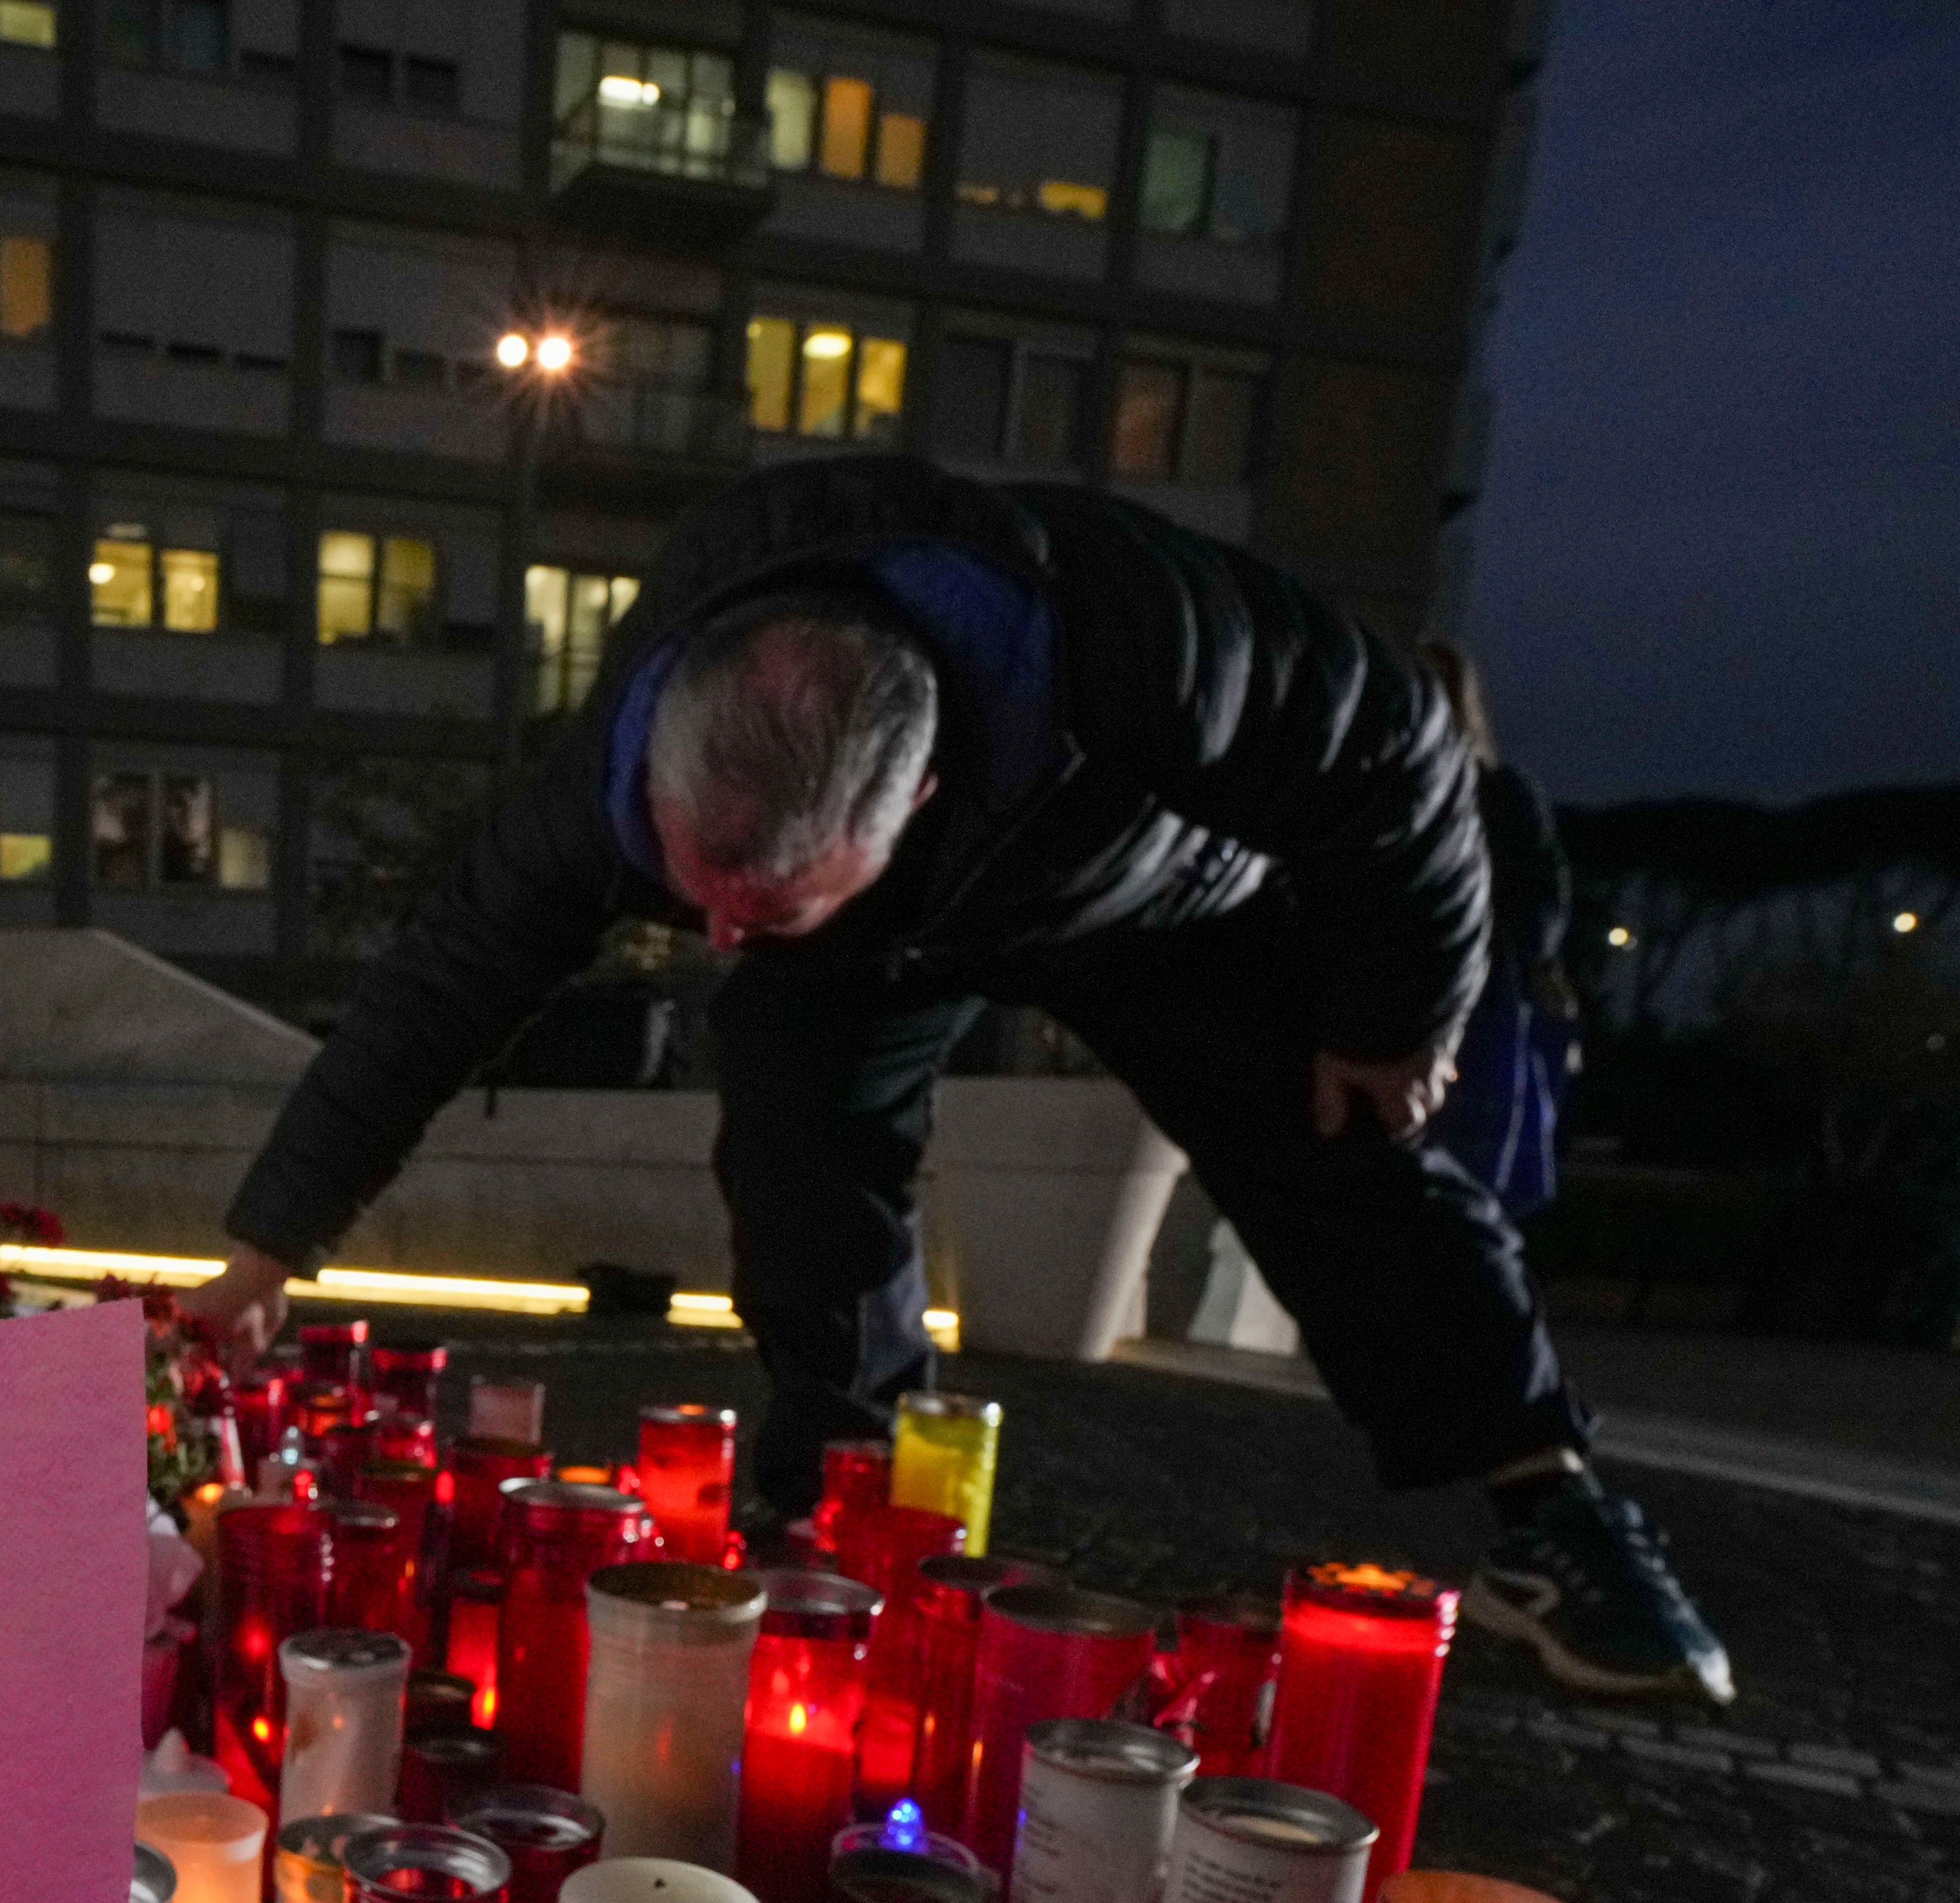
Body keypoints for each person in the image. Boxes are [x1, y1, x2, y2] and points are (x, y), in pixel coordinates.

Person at [182, 454, 1733, 1706]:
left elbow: (1400, 756)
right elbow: (435, 993)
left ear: (911, 794)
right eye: (690, 886)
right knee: (796, 1144)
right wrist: (270, 1245)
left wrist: (1396, 1012)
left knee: (1336, 1137)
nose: (710, 930)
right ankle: (843, 1489)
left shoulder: (1141, 633)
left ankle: (1552, 1511)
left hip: (1154, 890)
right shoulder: (605, 794)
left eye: (753, 907)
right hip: (861, 949)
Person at [1413, 642, 1581, 1226]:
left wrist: (1509, 954)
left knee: (1466, 1151)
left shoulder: (1501, 793)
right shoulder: (1389, 783)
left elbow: (1542, 892)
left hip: (1479, 996)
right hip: (1405, 981)